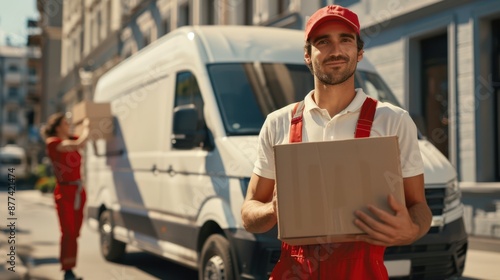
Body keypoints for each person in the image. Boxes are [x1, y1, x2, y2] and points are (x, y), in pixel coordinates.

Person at [241, 5, 432, 279]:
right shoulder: (278, 123)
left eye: (345, 39)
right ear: (307, 55)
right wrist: (272, 210)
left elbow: (419, 207)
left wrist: (412, 230)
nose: (336, 50)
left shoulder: (393, 121)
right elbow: (249, 214)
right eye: (323, 42)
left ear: (360, 52)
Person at [42, 112, 90, 280]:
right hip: (64, 192)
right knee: (68, 231)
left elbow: (82, 140)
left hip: (78, 191)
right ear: (56, 127)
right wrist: (88, 126)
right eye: (64, 123)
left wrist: (85, 124)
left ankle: (70, 268)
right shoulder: (52, 142)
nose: (68, 125)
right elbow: (78, 144)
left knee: (75, 232)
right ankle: (67, 270)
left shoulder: (72, 138)